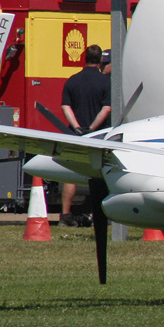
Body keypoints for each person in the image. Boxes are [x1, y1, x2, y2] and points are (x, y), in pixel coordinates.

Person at [59, 45, 111, 226]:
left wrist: (77, 127)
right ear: (101, 61)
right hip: (99, 134)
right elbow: (107, 108)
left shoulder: (72, 81)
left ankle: (65, 215)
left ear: (84, 58)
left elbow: (65, 106)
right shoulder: (106, 82)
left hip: (75, 134)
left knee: (71, 174)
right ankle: (100, 214)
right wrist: (92, 127)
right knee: (100, 175)